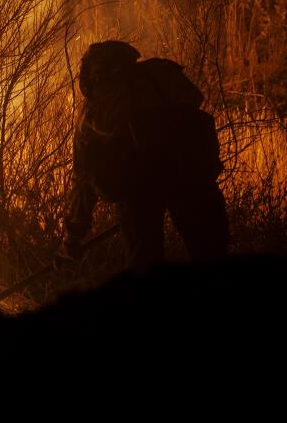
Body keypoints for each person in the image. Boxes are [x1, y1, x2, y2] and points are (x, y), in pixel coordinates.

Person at [63, 40, 229, 272]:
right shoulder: (162, 75)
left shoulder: (97, 108)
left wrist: (73, 237)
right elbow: (194, 105)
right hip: (193, 180)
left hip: (139, 196)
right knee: (212, 256)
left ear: (94, 73)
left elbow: (84, 179)